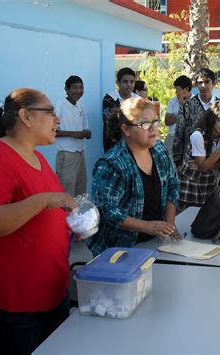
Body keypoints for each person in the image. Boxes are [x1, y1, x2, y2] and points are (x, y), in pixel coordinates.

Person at [0, 88, 77, 355]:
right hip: (15, 303)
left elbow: (45, 214)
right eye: (49, 112)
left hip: (51, 292)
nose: (57, 119)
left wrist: (69, 223)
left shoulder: (37, 157)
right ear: (26, 116)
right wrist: (43, 200)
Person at [87, 97, 180, 256]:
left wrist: (168, 224)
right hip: (118, 249)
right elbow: (106, 211)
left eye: (155, 122)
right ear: (126, 129)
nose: (153, 129)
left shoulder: (159, 150)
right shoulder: (112, 164)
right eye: (145, 124)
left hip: (154, 242)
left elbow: (173, 184)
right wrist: (146, 226)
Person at [178, 101, 220, 210]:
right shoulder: (198, 135)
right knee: (184, 220)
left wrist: (209, 165)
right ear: (212, 120)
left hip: (208, 185)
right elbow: (203, 167)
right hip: (189, 186)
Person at [172, 68, 219, 167]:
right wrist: (178, 162)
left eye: (207, 82)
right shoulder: (187, 106)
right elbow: (179, 134)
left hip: (215, 163)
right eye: (200, 83)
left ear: (214, 83)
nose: (203, 86)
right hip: (190, 164)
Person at [55, 75, 91, 197]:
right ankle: (64, 216)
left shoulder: (80, 106)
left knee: (81, 191)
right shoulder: (60, 105)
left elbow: (85, 128)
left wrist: (87, 133)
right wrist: (73, 134)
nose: (78, 91)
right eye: (74, 87)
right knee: (66, 192)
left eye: (81, 87)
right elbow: (52, 131)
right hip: (67, 153)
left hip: (80, 152)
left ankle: (79, 216)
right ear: (66, 89)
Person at [102, 67, 140, 150]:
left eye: (132, 82)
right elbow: (111, 124)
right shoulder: (109, 99)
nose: (129, 85)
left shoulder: (138, 100)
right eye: (125, 82)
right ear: (117, 83)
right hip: (114, 144)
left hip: (135, 144)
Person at [164, 75, 193, 156]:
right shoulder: (172, 101)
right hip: (172, 137)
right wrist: (180, 114)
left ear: (186, 89)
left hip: (188, 139)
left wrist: (181, 103)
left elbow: (191, 121)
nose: (176, 92)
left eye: (178, 89)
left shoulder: (195, 101)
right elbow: (167, 121)